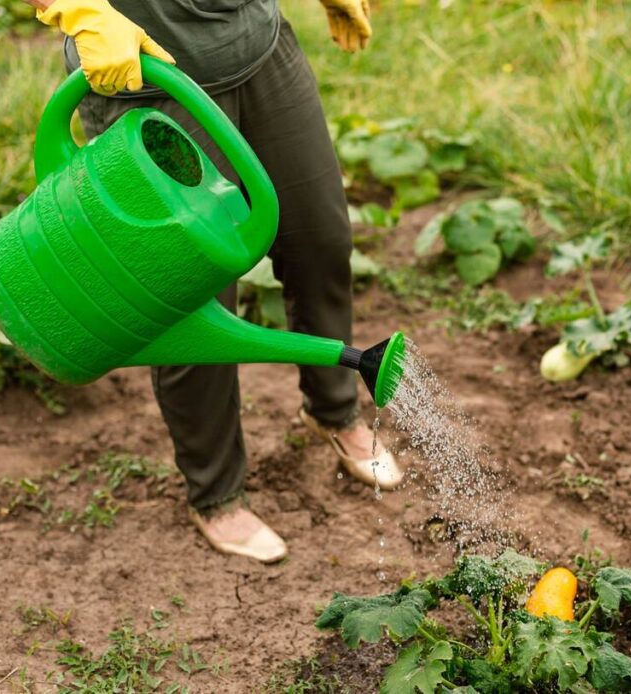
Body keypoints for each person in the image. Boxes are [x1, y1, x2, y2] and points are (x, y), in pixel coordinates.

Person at [23, 0, 402, 563]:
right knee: (190, 298)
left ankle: (334, 408)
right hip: (146, 75)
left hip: (259, 47)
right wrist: (77, 9)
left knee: (320, 241)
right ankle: (215, 493)